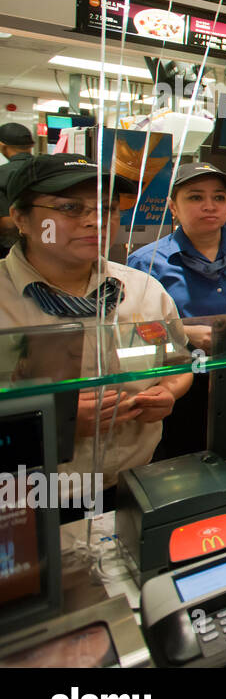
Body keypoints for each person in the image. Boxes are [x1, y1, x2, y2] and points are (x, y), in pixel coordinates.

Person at [0, 154, 192, 491]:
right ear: (21, 217)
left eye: (107, 209)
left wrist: (168, 391)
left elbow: (178, 363)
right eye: (71, 208)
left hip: (137, 483)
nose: (96, 222)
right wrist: (51, 423)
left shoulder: (143, 290)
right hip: (29, 499)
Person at [127, 163, 226, 342]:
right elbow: (131, 330)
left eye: (219, 197)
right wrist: (183, 334)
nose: (210, 206)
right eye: (196, 197)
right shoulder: (146, 262)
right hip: (180, 365)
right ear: (173, 207)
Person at [0, 122, 37, 257]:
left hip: (11, 251)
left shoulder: (1, 174)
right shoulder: (50, 169)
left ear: (2, 146)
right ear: (31, 145)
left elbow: (6, 225)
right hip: (49, 245)